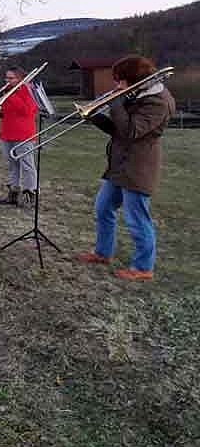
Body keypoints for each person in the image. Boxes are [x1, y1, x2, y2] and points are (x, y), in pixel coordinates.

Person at [78, 55, 175, 281]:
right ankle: (103, 253)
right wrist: (95, 117)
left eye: (121, 81)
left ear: (135, 79)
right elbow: (119, 130)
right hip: (119, 165)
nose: (117, 86)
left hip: (138, 167)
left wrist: (115, 103)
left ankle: (143, 268)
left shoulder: (158, 101)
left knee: (137, 218)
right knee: (103, 209)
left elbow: (131, 131)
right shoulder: (136, 95)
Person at [0, 65, 38, 206]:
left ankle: (30, 195)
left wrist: (11, 95)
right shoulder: (8, 92)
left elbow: (27, 111)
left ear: (20, 79)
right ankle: (13, 193)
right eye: (6, 77)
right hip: (7, 133)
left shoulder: (28, 91)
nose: (7, 80)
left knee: (27, 165)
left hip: (23, 134)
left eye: (11, 78)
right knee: (13, 165)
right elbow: (5, 113)